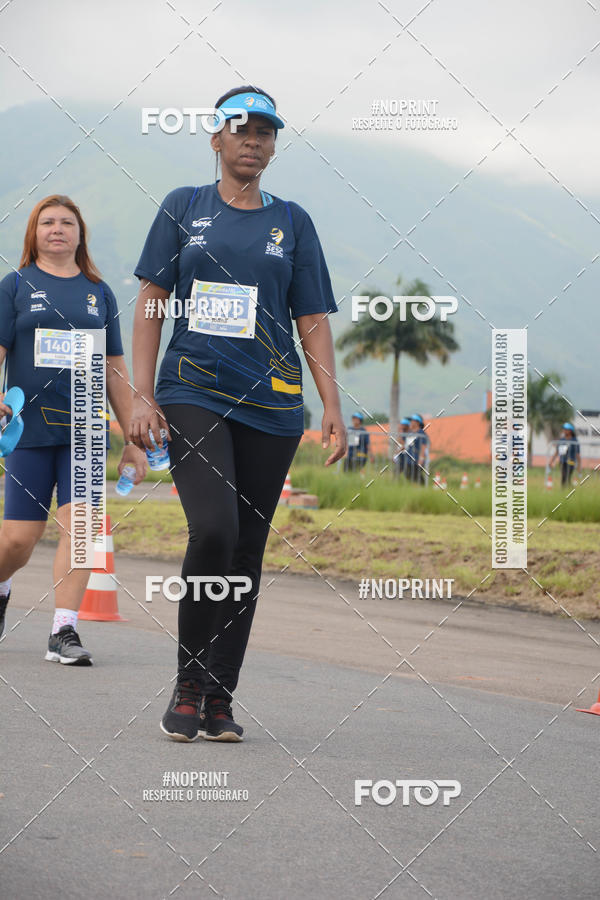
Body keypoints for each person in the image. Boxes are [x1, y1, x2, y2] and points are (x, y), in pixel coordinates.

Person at [129, 86, 346, 742]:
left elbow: (310, 317)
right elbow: (151, 301)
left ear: (274, 144)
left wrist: (332, 403)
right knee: (215, 531)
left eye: (266, 132)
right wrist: (141, 394)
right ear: (216, 140)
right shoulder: (181, 208)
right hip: (193, 391)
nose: (254, 140)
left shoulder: (293, 222)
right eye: (242, 130)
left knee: (248, 551)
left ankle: (220, 698)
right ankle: (189, 681)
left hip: (274, 405)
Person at [0, 195, 146, 657]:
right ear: (34, 233)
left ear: (80, 234)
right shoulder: (15, 286)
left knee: (82, 529)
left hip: (85, 429)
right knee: (19, 539)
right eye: (47, 222)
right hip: (28, 429)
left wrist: (133, 440)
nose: (57, 228)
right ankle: (2, 586)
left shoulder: (99, 292)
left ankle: (63, 631)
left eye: (67, 222)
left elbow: (116, 370)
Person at [549, 422, 580, 486]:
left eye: (566, 429)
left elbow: (577, 454)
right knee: (564, 476)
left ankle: (567, 490)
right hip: (562, 462)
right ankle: (564, 490)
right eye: (564, 429)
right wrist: (551, 461)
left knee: (567, 476)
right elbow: (557, 452)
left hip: (571, 462)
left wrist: (579, 465)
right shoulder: (561, 440)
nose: (564, 431)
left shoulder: (575, 441)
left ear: (570, 431)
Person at [404, 414, 426, 483]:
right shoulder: (410, 432)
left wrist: (421, 458)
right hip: (409, 458)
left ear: (417, 422)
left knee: (416, 475)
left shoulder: (421, 433)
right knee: (408, 474)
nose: (411, 422)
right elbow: (406, 444)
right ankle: (416, 487)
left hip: (416, 458)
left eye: (412, 421)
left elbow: (423, 446)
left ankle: (423, 487)